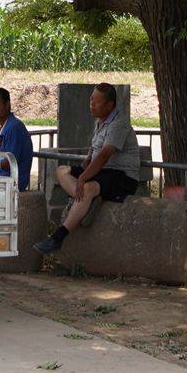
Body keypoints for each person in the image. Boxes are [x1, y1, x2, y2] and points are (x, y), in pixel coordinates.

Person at [34, 81, 141, 255]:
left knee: (88, 187)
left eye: (96, 101)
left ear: (109, 105)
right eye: (91, 100)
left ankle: (57, 238)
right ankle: (85, 201)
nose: (91, 104)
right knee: (62, 171)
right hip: (102, 173)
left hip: (122, 176)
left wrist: (83, 178)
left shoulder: (119, 123)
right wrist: (82, 170)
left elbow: (105, 154)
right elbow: (92, 153)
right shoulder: (100, 122)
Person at [0, 86, 33, 191]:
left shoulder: (14, 127)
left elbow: (9, 163)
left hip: (13, 183)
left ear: (7, 105)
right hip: (6, 180)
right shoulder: (7, 125)